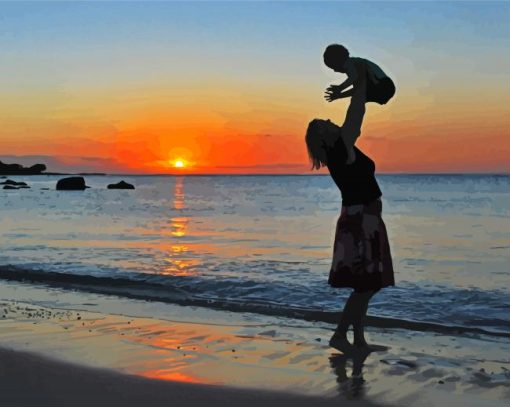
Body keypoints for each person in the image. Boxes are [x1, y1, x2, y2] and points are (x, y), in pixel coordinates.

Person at [304, 100, 395, 353]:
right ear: (325, 134)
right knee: (367, 284)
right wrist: (359, 88)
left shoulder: (341, 150)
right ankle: (341, 335)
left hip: (364, 217)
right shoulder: (340, 149)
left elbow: (353, 118)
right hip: (361, 219)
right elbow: (355, 115)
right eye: (327, 123)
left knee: (365, 284)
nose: (332, 123)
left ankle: (358, 341)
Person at [323, 44, 396, 165]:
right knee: (358, 96)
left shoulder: (352, 63)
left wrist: (339, 88)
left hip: (384, 86)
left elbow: (354, 78)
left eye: (334, 67)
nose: (335, 71)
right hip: (380, 88)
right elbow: (357, 88)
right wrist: (339, 95)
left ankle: (349, 135)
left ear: (339, 60)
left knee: (357, 98)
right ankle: (350, 135)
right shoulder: (357, 68)